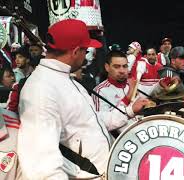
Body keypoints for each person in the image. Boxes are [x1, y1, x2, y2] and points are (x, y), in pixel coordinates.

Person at [17, 19, 148, 179]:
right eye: (85, 51)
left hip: (108, 170)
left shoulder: (66, 78)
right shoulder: (40, 89)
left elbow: (91, 120)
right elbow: (40, 165)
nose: (86, 56)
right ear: (75, 51)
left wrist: (128, 111)